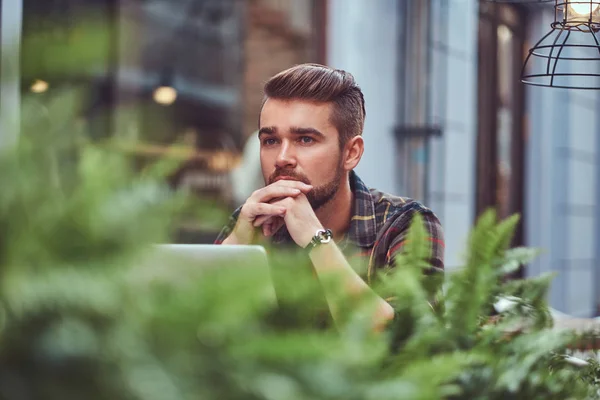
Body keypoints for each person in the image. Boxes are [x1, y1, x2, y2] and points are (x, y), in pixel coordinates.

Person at [215, 63, 444, 330]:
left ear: (351, 153)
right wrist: (238, 240)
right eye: (271, 141)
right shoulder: (250, 222)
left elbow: (409, 341)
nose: (282, 158)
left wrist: (316, 240)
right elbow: (190, 334)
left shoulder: (407, 224)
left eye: (305, 140)